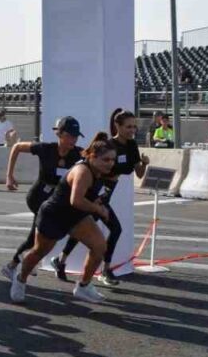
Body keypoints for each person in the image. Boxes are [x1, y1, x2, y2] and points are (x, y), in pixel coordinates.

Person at [9, 134, 118, 305]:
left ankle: (83, 286)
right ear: (92, 157)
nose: (110, 163)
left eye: (113, 160)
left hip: (75, 216)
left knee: (99, 246)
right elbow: (76, 200)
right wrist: (98, 209)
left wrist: (98, 202)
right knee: (39, 252)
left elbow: (88, 197)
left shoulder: (100, 172)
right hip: (54, 215)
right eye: (106, 160)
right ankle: (20, 278)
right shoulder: (83, 171)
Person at [54, 108, 147, 287]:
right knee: (90, 227)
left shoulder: (132, 146)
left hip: (108, 192)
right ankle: (103, 269)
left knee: (98, 228)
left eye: (134, 127)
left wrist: (144, 163)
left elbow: (139, 174)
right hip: (97, 192)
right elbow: (92, 164)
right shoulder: (108, 145)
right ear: (117, 126)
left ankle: (64, 260)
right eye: (128, 126)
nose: (132, 130)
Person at [1, 116, 84, 280]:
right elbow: (16, 147)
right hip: (38, 197)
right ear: (59, 134)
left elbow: (96, 159)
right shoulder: (45, 148)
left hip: (55, 201)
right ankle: (15, 265)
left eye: (75, 136)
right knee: (36, 236)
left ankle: (17, 264)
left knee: (69, 227)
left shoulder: (78, 154)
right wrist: (9, 176)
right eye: (69, 135)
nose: (73, 140)